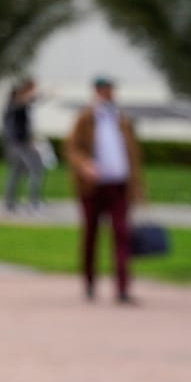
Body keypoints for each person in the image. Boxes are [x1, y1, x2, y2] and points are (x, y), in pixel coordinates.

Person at [65, 76, 145, 304]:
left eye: (110, 91)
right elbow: (72, 148)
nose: (108, 95)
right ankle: (89, 282)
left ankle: (122, 286)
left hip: (118, 185)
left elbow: (133, 154)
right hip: (93, 187)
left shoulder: (121, 119)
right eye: (104, 91)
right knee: (91, 234)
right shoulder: (86, 118)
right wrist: (84, 165)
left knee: (121, 234)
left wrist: (136, 187)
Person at [1, 78, 45, 212]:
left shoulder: (22, 105)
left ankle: (11, 202)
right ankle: (31, 201)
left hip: (21, 143)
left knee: (17, 171)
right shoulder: (15, 104)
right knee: (33, 169)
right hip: (18, 144)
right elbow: (22, 103)